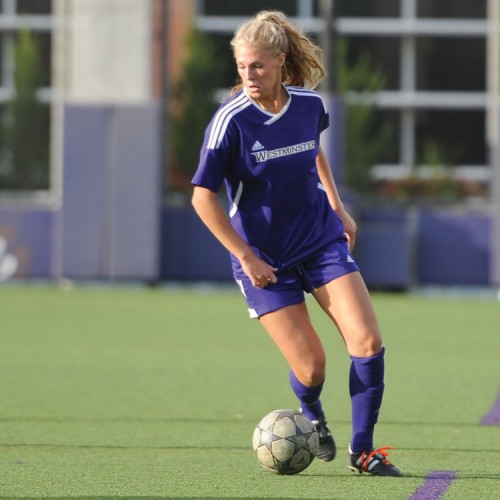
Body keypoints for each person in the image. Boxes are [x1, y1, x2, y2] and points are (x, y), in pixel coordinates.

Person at [191, 10, 402, 477]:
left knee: (367, 341)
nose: (248, 75)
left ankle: (363, 451)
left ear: (281, 63)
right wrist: (246, 256)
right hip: (263, 260)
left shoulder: (309, 105)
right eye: (243, 66)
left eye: (258, 66)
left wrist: (338, 205)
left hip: (320, 241)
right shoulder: (230, 122)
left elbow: (313, 148)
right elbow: (201, 197)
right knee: (312, 370)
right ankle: (313, 417)